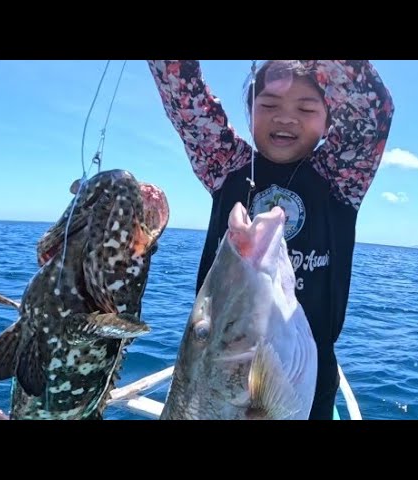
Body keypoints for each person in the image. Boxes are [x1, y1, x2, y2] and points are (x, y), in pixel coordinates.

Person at [147, 60, 394, 420]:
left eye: (306, 108)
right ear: (250, 112)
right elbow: (184, 99)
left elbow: (372, 113)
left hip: (306, 382)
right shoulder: (225, 165)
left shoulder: (341, 178)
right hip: (214, 371)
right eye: (268, 105)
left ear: (329, 119)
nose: (285, 118)